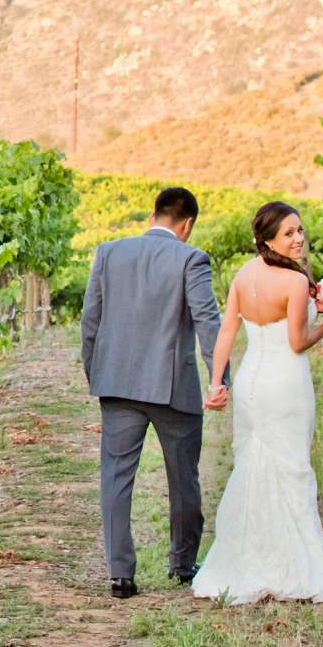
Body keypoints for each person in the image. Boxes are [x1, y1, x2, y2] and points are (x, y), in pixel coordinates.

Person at [191, 199, 323, 605]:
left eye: (299, 230)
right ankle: (295, 564)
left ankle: (247, 556)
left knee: (254, 465)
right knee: (292, 467)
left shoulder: (242, 277)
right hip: (285, 382)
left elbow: (226, 333)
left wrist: (216, 381)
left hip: (250, 384)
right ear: (268, 239)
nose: (298, 239)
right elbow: (296, 341)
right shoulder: (293, 283)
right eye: (288, 233)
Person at [78, 185, 226, 599]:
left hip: (117, 383)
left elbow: (91, 320)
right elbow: (207, 322)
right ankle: (181, 563)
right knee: (184, 479)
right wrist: (218, 378)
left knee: (116, 478)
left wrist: (98, 373)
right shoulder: (191, 258)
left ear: (154, 215)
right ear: (188, 224)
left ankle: (119, 574)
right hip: (172, 386)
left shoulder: (109, 252)